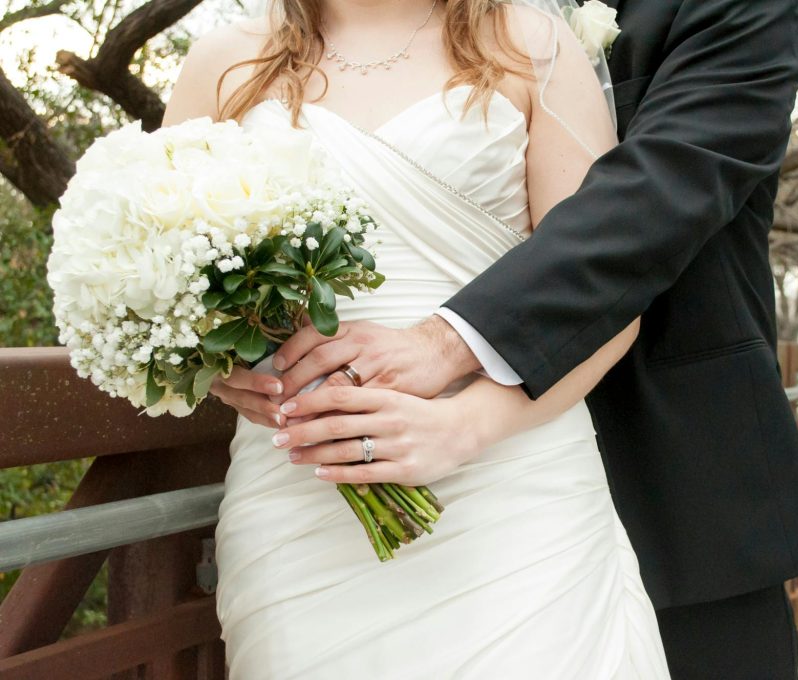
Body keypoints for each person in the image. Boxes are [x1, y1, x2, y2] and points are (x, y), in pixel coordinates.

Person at [215, 0, 798, 677]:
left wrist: (449, 349)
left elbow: (661, 190)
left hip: (669, 486)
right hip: (329, 505)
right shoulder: (256, 49)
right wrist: (222, 348)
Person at [164, 0, 672, 677]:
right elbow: (163, 283)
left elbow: (608, 295)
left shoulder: (531, 44)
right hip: (302, 504)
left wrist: (467, 425)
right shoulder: (224, 62)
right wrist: (218, 365)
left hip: (513, 492)